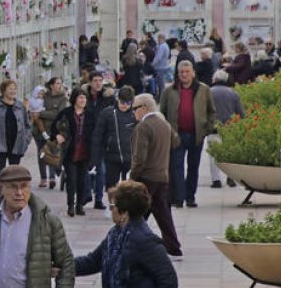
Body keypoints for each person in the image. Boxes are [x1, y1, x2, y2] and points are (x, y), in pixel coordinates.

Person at [158, 61, 216, 208]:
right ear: (177, 74)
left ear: (193, 73)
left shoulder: (204, 90)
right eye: (181, 72)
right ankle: (178, 197)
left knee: (193, 167)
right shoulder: (169, 91)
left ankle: (190, 197)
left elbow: (211, 111)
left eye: (187, 71)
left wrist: (207, 129)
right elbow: (162, 112)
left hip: (196, 135)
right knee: (176, 167)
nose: (184, 74)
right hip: (176, 135)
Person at [129, 94, 182, 257]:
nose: (133, 112)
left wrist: (132, 177)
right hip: (162, 176)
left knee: (135, 212)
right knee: (162, 213)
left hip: (146, 177)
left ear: (144, 108)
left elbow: (140, 158)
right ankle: (173, 247)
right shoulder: (163, 124)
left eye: (135, 108)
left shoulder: (144, 127)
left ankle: (128, 242)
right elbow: (176, 142)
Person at [52, 88, 92, 217]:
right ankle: (70, 205)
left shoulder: (90, 114)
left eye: (85, 98)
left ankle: (79, 205)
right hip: (69, 151)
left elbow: (95, 132)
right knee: (72, 179)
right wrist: (56, 136)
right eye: (80, 98)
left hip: (84, 152)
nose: (83, 100)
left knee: (82, 180)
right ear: (74, 99)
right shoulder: (66, 113)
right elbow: (54, 126)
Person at [0, 80, 31, 175]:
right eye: (10, 89)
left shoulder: (20, 106)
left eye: (15, 89)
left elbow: (27, 125)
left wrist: (26, 140)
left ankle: (12, 189)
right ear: (3, 90)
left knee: (15, 171)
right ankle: (0, 189)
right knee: (1, 171)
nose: (13, 91)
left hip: (16, 142)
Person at [92, 86, 137, 190]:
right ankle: (113, 205)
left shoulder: (135, 114)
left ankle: (126, 205)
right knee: (111, 186)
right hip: (111, 156)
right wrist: (96, 157)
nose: (125, 106)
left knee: (130, 187)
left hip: (131, 157)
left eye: (128, 103)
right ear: (117, 99)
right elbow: (98, 136)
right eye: (122, 102)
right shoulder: (107, 113)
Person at [207, 70, 244, 189]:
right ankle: (230, 178)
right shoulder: (233, 93)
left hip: (214, 128)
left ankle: (216, 180)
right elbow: (241, 113)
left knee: (214, 155)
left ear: (215, 79)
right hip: (230, 127)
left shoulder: (209, 92)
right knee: (229, 154)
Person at [82, 73, 114, 209]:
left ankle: (99, 198)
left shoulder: (107, 98)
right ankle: (86, 193)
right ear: (90, 83)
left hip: (102, 138)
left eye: (100, 81)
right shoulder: (84, 97)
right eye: (95, 81)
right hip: (86, 136)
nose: (98, 83)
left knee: (101, 169)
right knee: (85, 167)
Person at [27, 86, 59, 188]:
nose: (41, 95)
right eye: (39, 93)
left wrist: (40, 114)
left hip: (50, 130)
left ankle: (52, 177)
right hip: (38, 132)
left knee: (51, 153)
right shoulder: (32, 101)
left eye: (43, 93)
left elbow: (54, 114)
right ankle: (43, 178)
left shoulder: (48, 101)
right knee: (41, 154)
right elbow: (32, 115)